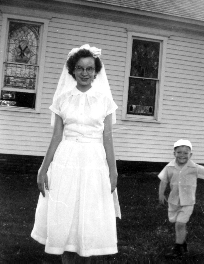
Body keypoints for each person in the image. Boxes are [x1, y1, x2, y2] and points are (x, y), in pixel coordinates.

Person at [31, 44, 121, 263]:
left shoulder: (105, 101)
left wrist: (113, 170)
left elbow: (107, 138)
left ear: (95, 72)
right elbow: (56, 137)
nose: (84, 73)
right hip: (66, 160)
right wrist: (43, 169)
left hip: (94, 160)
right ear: (72, 71)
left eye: (89, 69)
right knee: (66, 217)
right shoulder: (62, 99)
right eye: (80, 68)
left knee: (89, 216)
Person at [158, 139, 204, 258]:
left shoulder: (194, 167)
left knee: (180, 224)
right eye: (179, 152)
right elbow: (163, 181)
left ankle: (177, 249)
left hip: (188, 202)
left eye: (185, 153)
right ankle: (183, 243)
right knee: (175, 222)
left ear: (190, 155)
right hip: (173, 201)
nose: (182, 155)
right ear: (174, 153)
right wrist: (161, 194)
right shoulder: (169, 167)